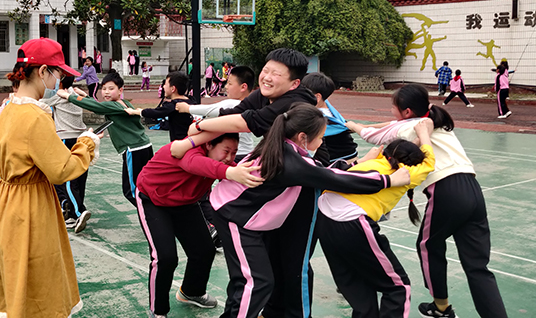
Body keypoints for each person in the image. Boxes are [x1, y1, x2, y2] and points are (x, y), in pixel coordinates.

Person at [171, 48, 343, 318]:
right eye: (266, 70)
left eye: (276, 73)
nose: (267, 77)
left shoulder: (296, 100)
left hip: (305, 180)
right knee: (273, 252)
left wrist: (198, 128)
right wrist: (191, 140)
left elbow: (250, 121)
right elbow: (235, 115)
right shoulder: (262, 94)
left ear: (294, 83)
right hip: (279, 179)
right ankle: (272, 311)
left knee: (295, 259)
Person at [206, 104, 410, 318]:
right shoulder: (290, 160)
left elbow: (318, 172)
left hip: (242, 215)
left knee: (250, 280)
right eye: (320, 137)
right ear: (303, 137)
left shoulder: (285, 148)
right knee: (256, 282)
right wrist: (388, 180)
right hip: (233, 215)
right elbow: (332, 179)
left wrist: (358, 163)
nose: (321, 142)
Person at [346, 84, 508, 318]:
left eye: (393, 107)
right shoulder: (436, 123)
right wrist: (379, 124)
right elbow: (390, 124)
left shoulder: (407, 128)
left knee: (428, 245)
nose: (391, 110)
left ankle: (441, 308)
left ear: (407, 111)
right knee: (477, 267)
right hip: (473, 190)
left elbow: (371, 135)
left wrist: (353, 125)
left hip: (446, 190)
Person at [0, 37, 101, 318]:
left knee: (15, 275)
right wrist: (86, 143)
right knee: (40, 279)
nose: (58, 80)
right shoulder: (35, 117)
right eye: (57, 73)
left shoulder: (7, 110)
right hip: (31, 208)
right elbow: (62, 169)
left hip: (6, 205)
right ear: (42, 72)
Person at [136, 133, 263, 318]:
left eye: (234, 152)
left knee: (204, 251)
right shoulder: (187, 151)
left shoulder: (221, 162)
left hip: (185, 203)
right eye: (226, 151)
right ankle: (158, 311)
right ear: (209, 144)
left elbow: (230, 173)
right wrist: (230, 172)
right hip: (153, 200)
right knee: (165, 258)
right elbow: (197, 164)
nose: (229, 158)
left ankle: (191, 292)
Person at [317, 120, 435, 318]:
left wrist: (413, 142)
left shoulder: (372, 162)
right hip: (352, 222)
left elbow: (398, 152)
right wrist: (424, 134)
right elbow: (429, 162)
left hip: (324, 220)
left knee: (356, 286)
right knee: (398, 287)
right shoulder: (404, 173)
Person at [58, 71, 153, 208]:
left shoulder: (113, 106)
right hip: (144, 146)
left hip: (133, 149)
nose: (106, 92)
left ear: (120, 90)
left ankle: (151, 213)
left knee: (131, 191)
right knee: (144, 185)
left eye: (111, 88)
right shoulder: (124, 103)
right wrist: (85, 96)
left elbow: (97, 107)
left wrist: (68, 96)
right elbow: (100, 106)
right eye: (104, 89)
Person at [41, 75, 92, 233]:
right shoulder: (76, 95)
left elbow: (40, 104)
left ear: (60, 82)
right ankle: (71, 210)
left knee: (66, 178)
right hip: (81, 138)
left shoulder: (59, 95)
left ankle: (78, 212)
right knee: (80, 175)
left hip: (66, 138)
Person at [176, 66, 256, 162]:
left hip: (235, 154)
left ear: (243, 87)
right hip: (247, 152)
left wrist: (187, 108)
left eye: (230, 83)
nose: (226, 86)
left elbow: (210, 109)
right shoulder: (251, 105)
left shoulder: (234, 103)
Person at [301, 72, 358, 164]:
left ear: (317, 97)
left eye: (304, 92)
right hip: (350, 154)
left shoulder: (318, 117)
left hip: (341, 160)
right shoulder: (326, 104)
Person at [126, 71, 195, 141]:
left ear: (173, 89)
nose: (163, 86)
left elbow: (156, 112)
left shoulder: (174, 105)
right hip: (193, 141)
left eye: (165, 84)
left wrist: (136, 112)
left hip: (181, 143)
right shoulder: (191, 101)